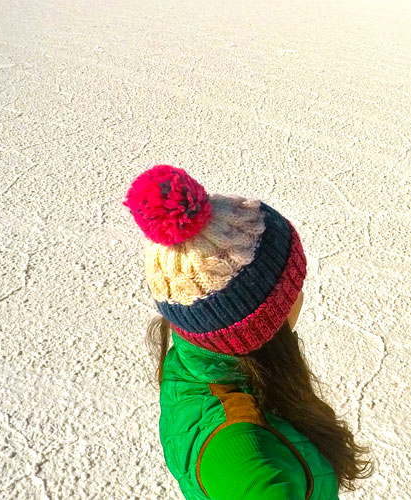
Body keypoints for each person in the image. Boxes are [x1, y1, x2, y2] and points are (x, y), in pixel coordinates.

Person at [124, 165, 371, 500]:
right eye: (292, 286)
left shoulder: (196, 350)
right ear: (261, 323)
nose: (300, 295)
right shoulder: (248, 462)